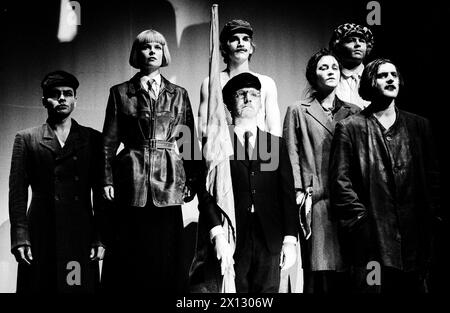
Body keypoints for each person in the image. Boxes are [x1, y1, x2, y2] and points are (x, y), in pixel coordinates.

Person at [100, 29, 199, 293]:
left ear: (164, 52)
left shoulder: (179, 94)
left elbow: (187, 141)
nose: (152, 51)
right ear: (137, 53)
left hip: (168, 179)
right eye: (146, 47)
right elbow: (108, 142)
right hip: (131, 178)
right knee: (132, 251)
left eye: (158, 46)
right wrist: (107, 179)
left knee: (167, 252)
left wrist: (192, 179)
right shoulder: (120, 93)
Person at [329, 58, 441, 293]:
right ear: (370, 82)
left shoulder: (418, 126)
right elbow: (341, 182)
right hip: (373, 241)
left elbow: (433, 178)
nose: (390, 79)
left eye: (394, 75)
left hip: (416, 240)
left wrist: (432, 218)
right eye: (382, 75)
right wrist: (361, 223)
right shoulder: (351, 127)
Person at [191, 73, 298, 293]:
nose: (249, 99)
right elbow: (206, 193)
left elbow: (285, 195)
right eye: (241, 94)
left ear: (260, 103)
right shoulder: (218, 143)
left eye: (255, 95)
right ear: (229, 103)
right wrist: (217, 234)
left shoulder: (273, 144)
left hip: (269, 238)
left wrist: (289, 240)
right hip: (232, 236)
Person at [9, 70, 105, 293]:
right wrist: (20, 238)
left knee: (76, 286)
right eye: (55, 94)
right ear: (44, 101)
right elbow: (17, 194)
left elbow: (101, 194)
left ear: (75, 100)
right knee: (41, 286)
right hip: (41, 231)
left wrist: (100, 237)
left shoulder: (92, 139)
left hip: (79, 232)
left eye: (68, 94)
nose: (62, 98)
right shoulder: (27, 138)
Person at [283, 49, 360, 293]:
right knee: (319, 272)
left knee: (349, 271)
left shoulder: (354, 112)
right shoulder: (298, 110)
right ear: (312, 76)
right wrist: (297, 191)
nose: (330, 72)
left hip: (346, 200)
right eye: (323, 68)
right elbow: (290, 155)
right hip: (314, 200)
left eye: (334, 68)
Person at [198, 19, 282, 137]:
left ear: (251, 47)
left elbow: (274, 128)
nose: (241, 43)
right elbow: (203, 127)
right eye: (234, 39)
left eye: (245, 39)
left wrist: (265, 152)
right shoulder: (211, 82)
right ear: (224, 48)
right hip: (225, 151)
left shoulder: (267, 83)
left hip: (259, 152)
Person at [329, 23, 374, 109]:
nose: (358, 44)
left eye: (362, 41)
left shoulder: (375, 78)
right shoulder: (331, 79)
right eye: (351, 40)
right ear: (338, 46)